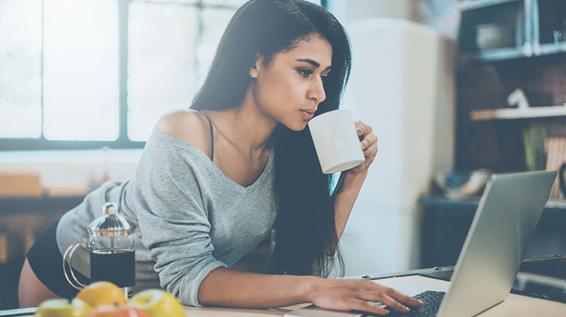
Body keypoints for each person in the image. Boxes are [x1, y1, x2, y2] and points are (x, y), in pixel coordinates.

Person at [19, 0, 421, 314]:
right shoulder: (184, 131)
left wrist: (354, 179)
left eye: (325, 76)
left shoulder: (292, 150)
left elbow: (305, 267)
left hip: (153, 299)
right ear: (255, 62)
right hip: (75, 275)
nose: (318, 92)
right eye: (304, 71)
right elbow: (188, 274)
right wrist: (318, 289)